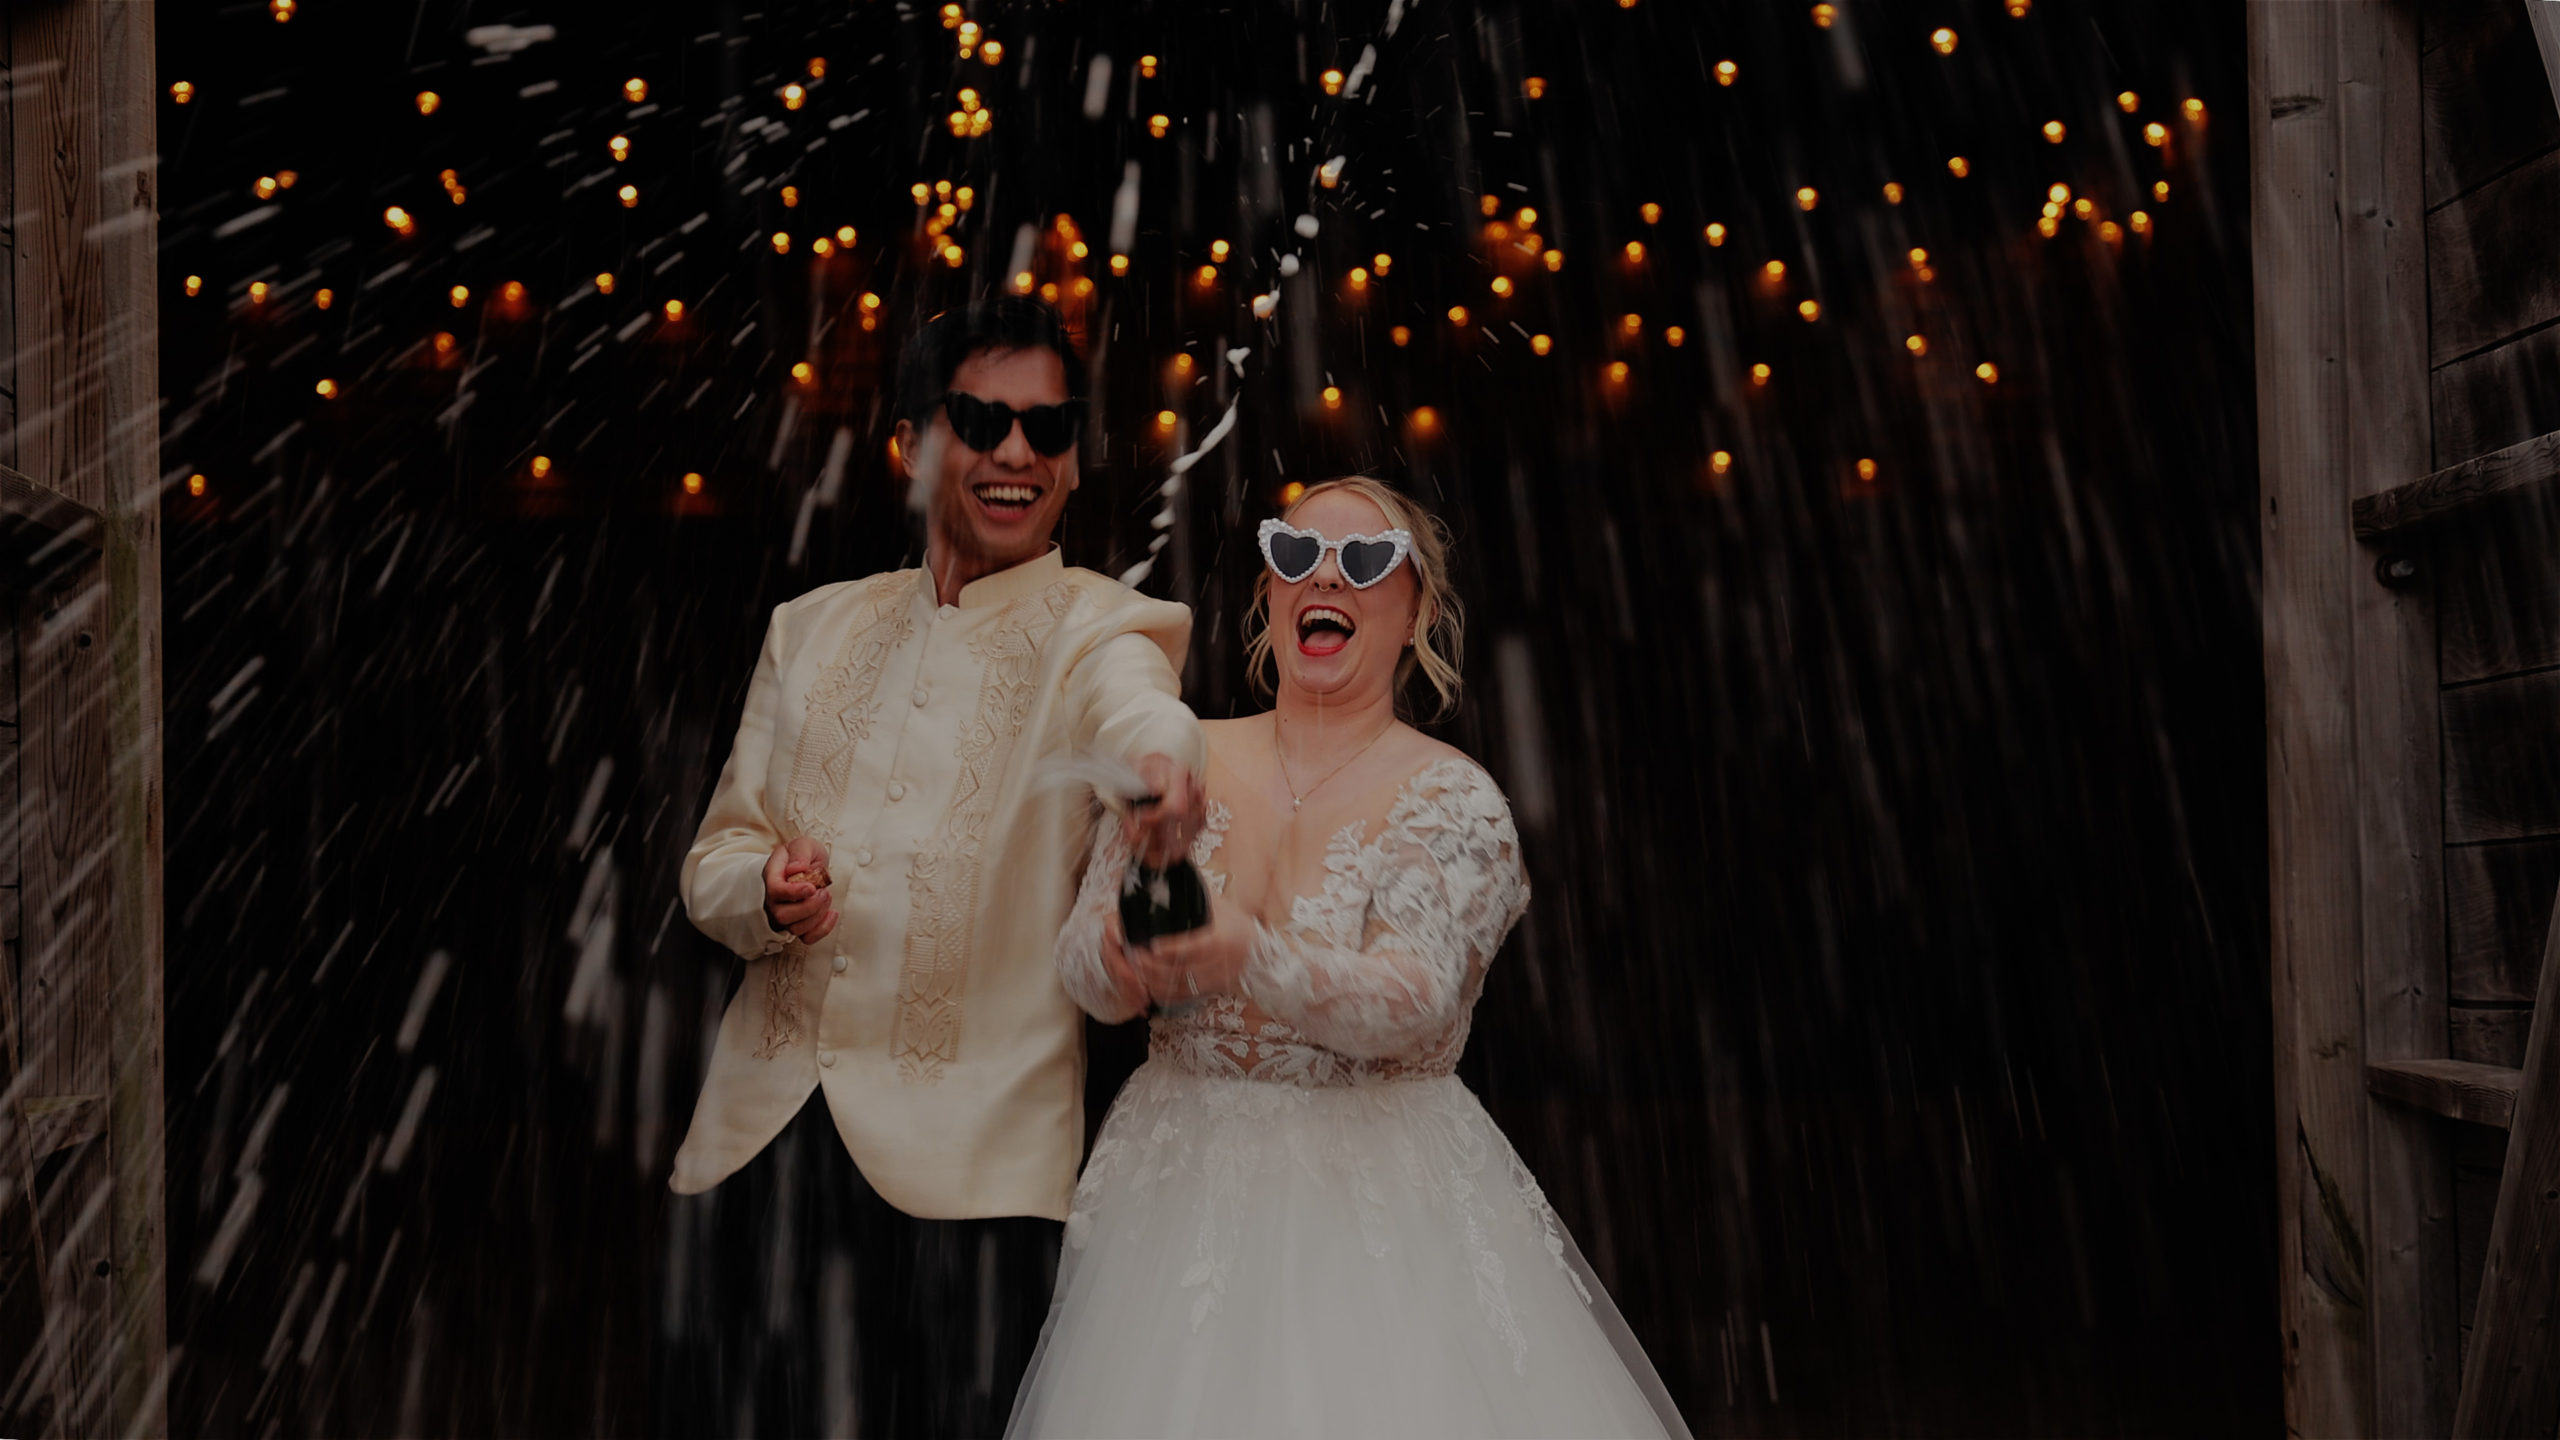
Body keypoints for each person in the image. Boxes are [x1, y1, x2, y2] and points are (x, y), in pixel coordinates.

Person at [1008, 478, 1690, 1438]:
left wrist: (1250, 955)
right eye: (1296, 554)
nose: (1326, 576)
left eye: (1366, 561)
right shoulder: (1177, 756)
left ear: (1416, 614)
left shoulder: (1452, 797)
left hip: (1379, 1207)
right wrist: (1122, 957)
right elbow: (1082, 965)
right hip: (1178, 1198)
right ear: (1270, 593)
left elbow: (1415, 1000)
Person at [667, 296, 1207, 1437]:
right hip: (759, 1156)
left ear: (1073, 463)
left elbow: (1140, 712)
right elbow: (715, 858)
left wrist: (1163, 769)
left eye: (1047, 430)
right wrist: (763, 892)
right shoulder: (809, 626)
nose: (1017, 453)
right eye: (979, 420)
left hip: (973, 1187)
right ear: (910, 443)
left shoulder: (1101, 627)